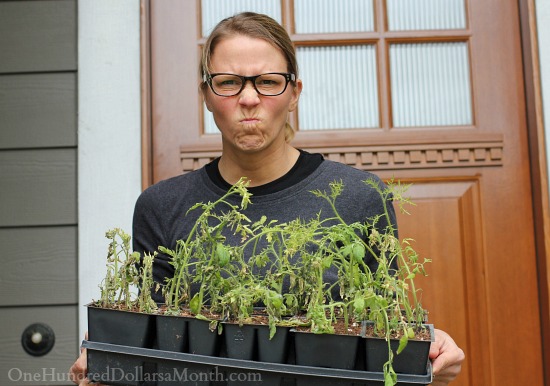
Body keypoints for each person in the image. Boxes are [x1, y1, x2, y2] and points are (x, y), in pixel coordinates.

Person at [70, 11, 464, 386]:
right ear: (206, 95)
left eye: (268, 81)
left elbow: (383, 326)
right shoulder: (162, 206)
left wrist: (428, 350)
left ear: (294, 93)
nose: (248, 98)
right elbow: (157, 340)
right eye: (228, 82)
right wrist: (110, 363)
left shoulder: (359, 198)